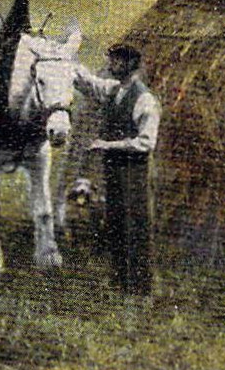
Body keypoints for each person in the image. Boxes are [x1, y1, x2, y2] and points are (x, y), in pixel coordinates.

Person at [68, 44, 160, 295]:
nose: (112, 66)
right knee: (116, 223)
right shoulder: (113, 90)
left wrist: (108, 145)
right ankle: (120, 282)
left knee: (135, 226)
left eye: (118, 62)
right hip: (114, 170)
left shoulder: (144, 99)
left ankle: (140, 288)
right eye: (112, 61)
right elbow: (89, 83)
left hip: (134, 172)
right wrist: (67, 60)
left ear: (132, 65)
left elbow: (146, 142)